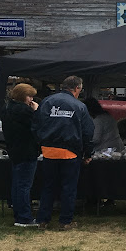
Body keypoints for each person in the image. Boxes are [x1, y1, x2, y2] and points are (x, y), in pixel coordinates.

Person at [32, 76, 94, 230]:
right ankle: (65, 221)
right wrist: (88, 153)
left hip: (49, 152)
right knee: (69, 188)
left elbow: (35, 125)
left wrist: (41, 144)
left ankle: (42, 220)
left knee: (48, 187)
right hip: (70, 153)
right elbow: (88, 132)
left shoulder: (46, 102)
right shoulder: (79, 106)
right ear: (77, 88)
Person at [2, 83, 41, 227]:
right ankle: (24, 217)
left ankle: (19, 214)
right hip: (27, 151)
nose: (31, 99)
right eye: (30, 96)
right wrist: (36, 111)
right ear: (23, 96)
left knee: (17, 185)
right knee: (24, 185)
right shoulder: (24, 111)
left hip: (14, 150)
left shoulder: (7, 108)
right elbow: (37, 126)